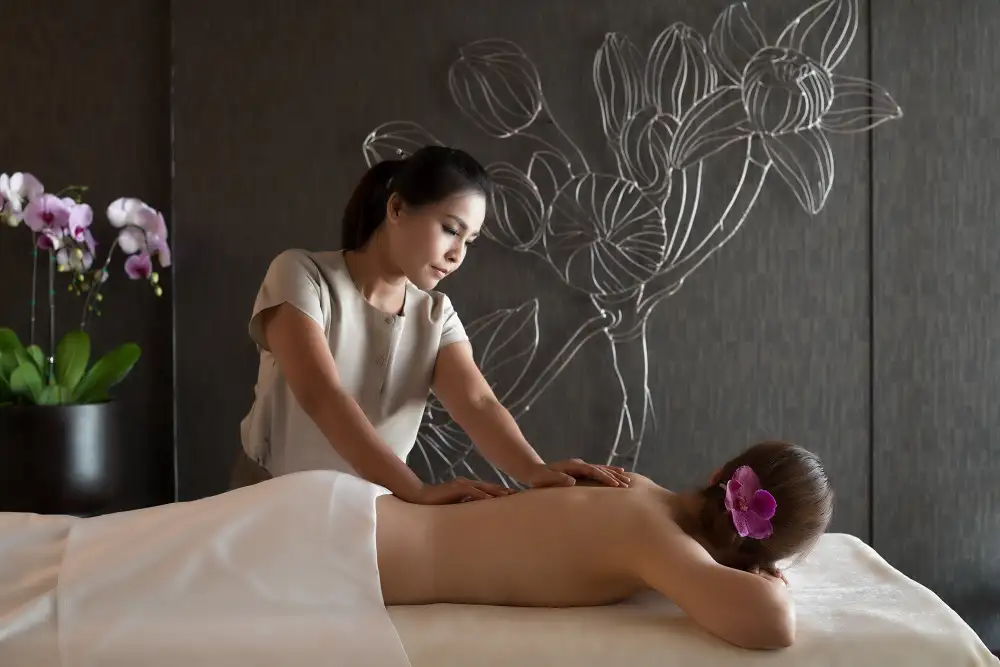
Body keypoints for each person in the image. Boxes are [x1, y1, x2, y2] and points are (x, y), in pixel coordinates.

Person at [235, 145, 629, 503]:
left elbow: (477, 403)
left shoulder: (436, 315)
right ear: (396, 209)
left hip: (370, 514)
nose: (458, 254)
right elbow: (322, 396)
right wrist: (416, 490)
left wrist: (535, 470)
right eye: (451, 229)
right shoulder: (301, 275)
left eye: (469, 241)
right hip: (268, 504)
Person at [376, 440, 834, 650]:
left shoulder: (633, 485)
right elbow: (773, 625)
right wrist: (765, 580)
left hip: (369, 515)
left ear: (719, 474)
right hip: (361, 555)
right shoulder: (659, 544)